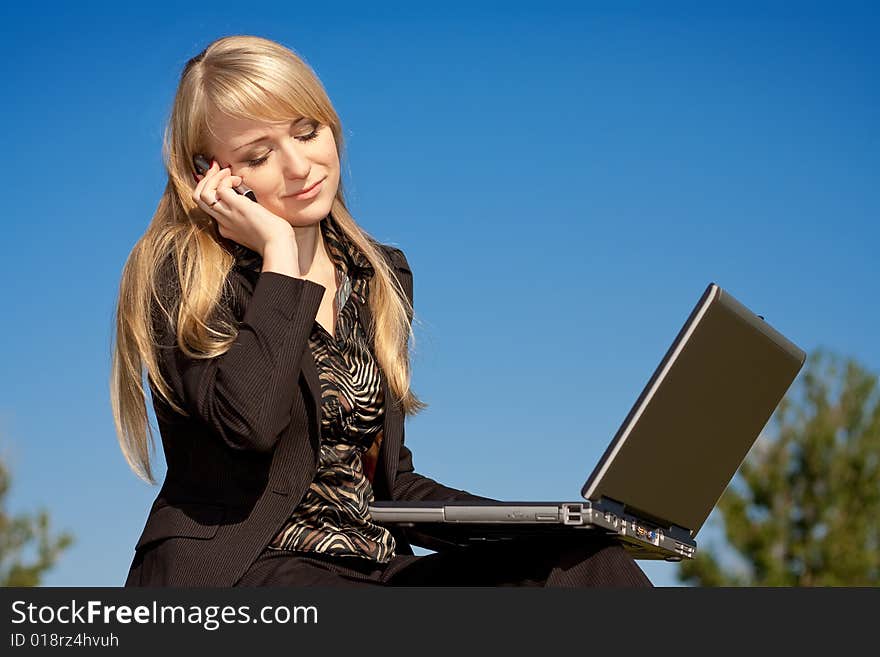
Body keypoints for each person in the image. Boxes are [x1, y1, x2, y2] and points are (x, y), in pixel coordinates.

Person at [111, 34, 652, 588]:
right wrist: (279, 258)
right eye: (259, 154)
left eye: (307, 131)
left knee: (584, 567)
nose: (300, 165)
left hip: (371, 566)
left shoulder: (377, 273)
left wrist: (553, 526)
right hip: (252, 572)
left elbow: (391, 484)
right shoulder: (180, 271)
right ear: (210, 173)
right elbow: (250, 422)